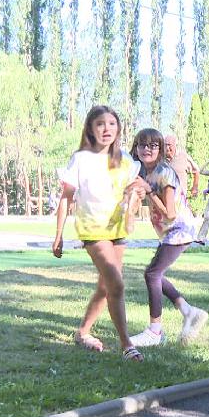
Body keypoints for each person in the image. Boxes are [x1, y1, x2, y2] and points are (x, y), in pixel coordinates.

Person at [52, 106, 146, 361]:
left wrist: (138, 190)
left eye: (112, 124)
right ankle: (127, 345)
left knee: (106, 286)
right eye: (101, 124)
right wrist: (58, 234)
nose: (107, 129)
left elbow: (134, 190)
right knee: (116, 282)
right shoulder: (81, 159)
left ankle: (83, 332)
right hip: (92, 229)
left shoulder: (125, 159)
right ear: (91, 129)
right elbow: (65, 199)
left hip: (117, 228)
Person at [126, 128, 209, 347]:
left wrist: (149, 192)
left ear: (161, 149)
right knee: (154, 274)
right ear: (135, 148)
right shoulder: (141, 172)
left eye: (153, 145)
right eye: (142, 145)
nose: (147, 149)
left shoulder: (165, 172)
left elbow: (171, 213)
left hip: (179, 228)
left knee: (152, 274)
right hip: (168, 231)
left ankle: (155, 331)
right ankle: (189, 311)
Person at [163, 134, 200, 198]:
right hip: (164, 196)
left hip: (179, 197)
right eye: (165, 145)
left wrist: (195, 187)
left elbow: (196, 170)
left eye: (169, 145)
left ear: (175, 145)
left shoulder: (183, 156)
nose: (167, 148)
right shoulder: (160, 158)